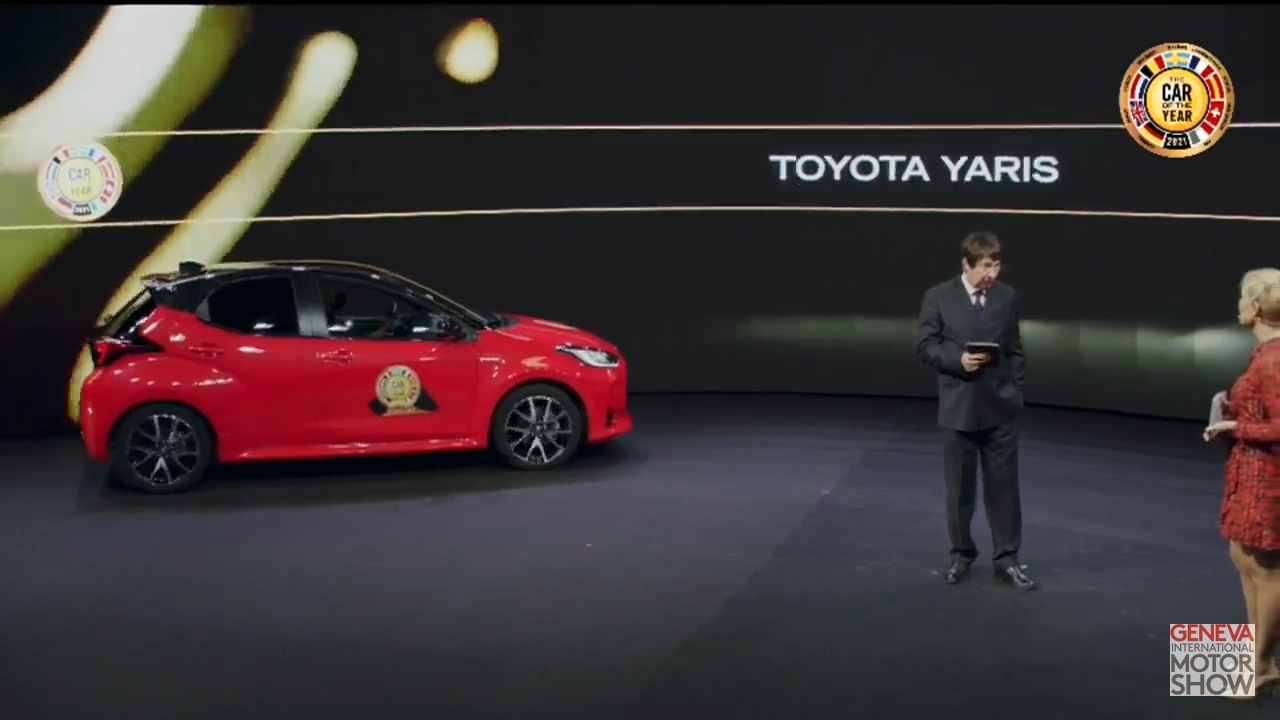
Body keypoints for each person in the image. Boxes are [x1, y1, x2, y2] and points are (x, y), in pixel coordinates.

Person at [914, 232, 1034, 590]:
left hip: (1000, 408)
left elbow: (1014, 349)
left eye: (995, 265)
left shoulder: (1006, 297)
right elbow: (925, 344)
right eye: (984, 266)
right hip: (959, 409)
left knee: (1004, 491)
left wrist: (1015, 391)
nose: (991, 273)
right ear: (966, 265)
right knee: (960, 492)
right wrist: (958, 360)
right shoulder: (938, 296)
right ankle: (962, 556)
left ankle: (1007, 560)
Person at [1204, 268, 1280, 693]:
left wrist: (1237, 427)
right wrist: (1233, 416)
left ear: (1254, 307)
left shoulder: (1274, 359)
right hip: (1250, 474)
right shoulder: (1265, 353)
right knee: (1245, 559)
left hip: (1269, 479)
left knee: (1267, 569)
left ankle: (1262, 663)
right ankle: (1255, 656)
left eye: (1242, 298)